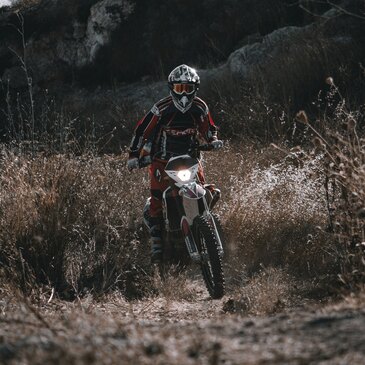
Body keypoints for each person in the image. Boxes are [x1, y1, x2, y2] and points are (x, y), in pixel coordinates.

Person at [127, 64, 223, 263]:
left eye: (188, 88)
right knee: (156, 200)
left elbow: (209, 128)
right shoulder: (161, 108)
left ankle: (208, 227)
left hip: (190, 159)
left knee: (206, 190)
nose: (184, 93)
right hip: (162, 161)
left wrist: (212, 141)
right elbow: (141, 131)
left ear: (195, 88)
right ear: (172, 88)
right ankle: (157, 243)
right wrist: (134, 155)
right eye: (180, 89)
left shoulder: (200, 107)